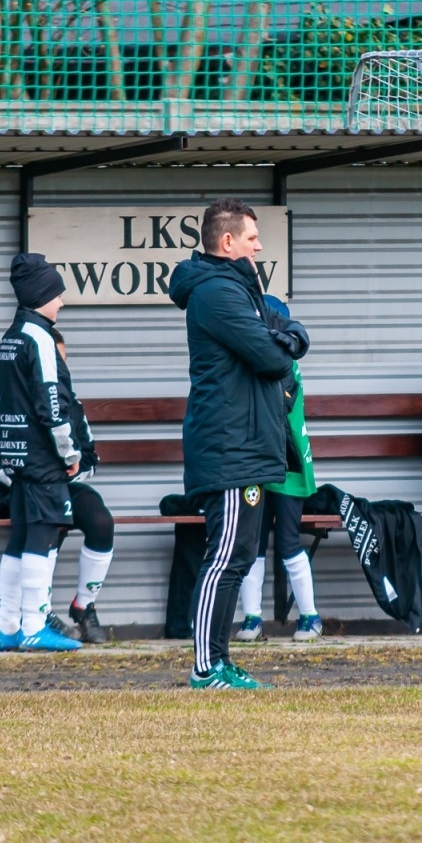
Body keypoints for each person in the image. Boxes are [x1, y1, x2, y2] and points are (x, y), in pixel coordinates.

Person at [169, 197, 307, 689]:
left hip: (246, 446)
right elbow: (272, 358)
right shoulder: (216, 293)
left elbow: (281, 333)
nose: (260, 245)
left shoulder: (237, 288)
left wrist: (283, 336)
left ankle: (221, 661)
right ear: (227, 242)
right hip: (230, 448)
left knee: (239, 555)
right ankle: (206, 668)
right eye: (252, 237)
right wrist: (284, 340)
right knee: (225, 556)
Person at [0, 335, 115, 646]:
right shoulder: (3, 406)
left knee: (98, 519)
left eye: (61, 363)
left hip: (60, 486)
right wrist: (33, 478)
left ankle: (84, 605)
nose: (57, 370)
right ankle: (34, 620)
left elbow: (91, 457)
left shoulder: (71, 405)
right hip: (14, 488)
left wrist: (74, 470)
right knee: (47, 516)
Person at [0, 253, 86, 653]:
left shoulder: (11, 335)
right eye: (57, 294)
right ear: (39, 295)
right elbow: (51, 402)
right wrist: (69, 453)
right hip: (41, 453)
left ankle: (6, 627)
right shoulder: (41, 338)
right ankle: (34, 625)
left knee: (21, 537)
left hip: (14, 449)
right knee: (44, 536)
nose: (61, 302)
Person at [233, 295, 323, 644]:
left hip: (288, 466)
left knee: (288, 541)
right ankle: (252, 619)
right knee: (252, 542)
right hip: (256, 469)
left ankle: (310, 617)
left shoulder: (284, 367)